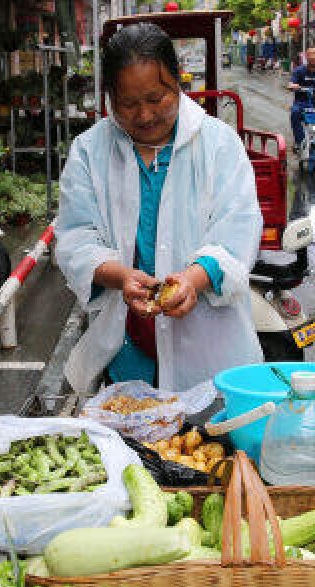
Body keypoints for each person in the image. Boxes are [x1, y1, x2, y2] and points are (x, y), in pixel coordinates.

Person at [53, 22, 263, 393]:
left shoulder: (218, 145)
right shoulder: (89, 151)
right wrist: (120, 277)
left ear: (178, 85)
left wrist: (193, 279)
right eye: (128, 104)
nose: (145, 116)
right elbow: (75, 238)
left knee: (205, 443)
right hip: (127, 351)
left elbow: (238, 231)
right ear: (109, 99)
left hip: (209, 350)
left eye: (156, 99)